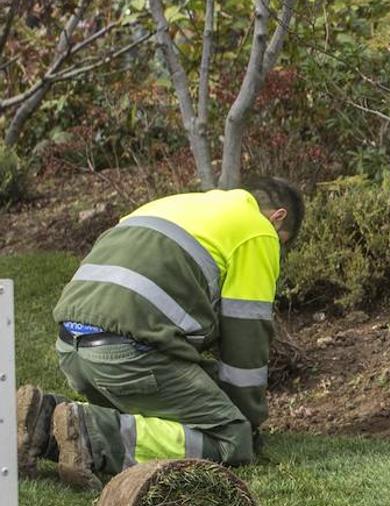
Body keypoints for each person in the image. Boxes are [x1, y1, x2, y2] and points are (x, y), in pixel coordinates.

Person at [15, 177, 303, 489]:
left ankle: (41, 418)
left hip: (72, 346)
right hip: (128, 354)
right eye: (281, 241)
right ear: (278, 217)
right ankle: (92, 434)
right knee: (229, 440)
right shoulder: (257, 231)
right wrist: (245, 420)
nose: (276, 250)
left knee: (161, 416)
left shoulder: (171, 205)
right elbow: (246, 336)